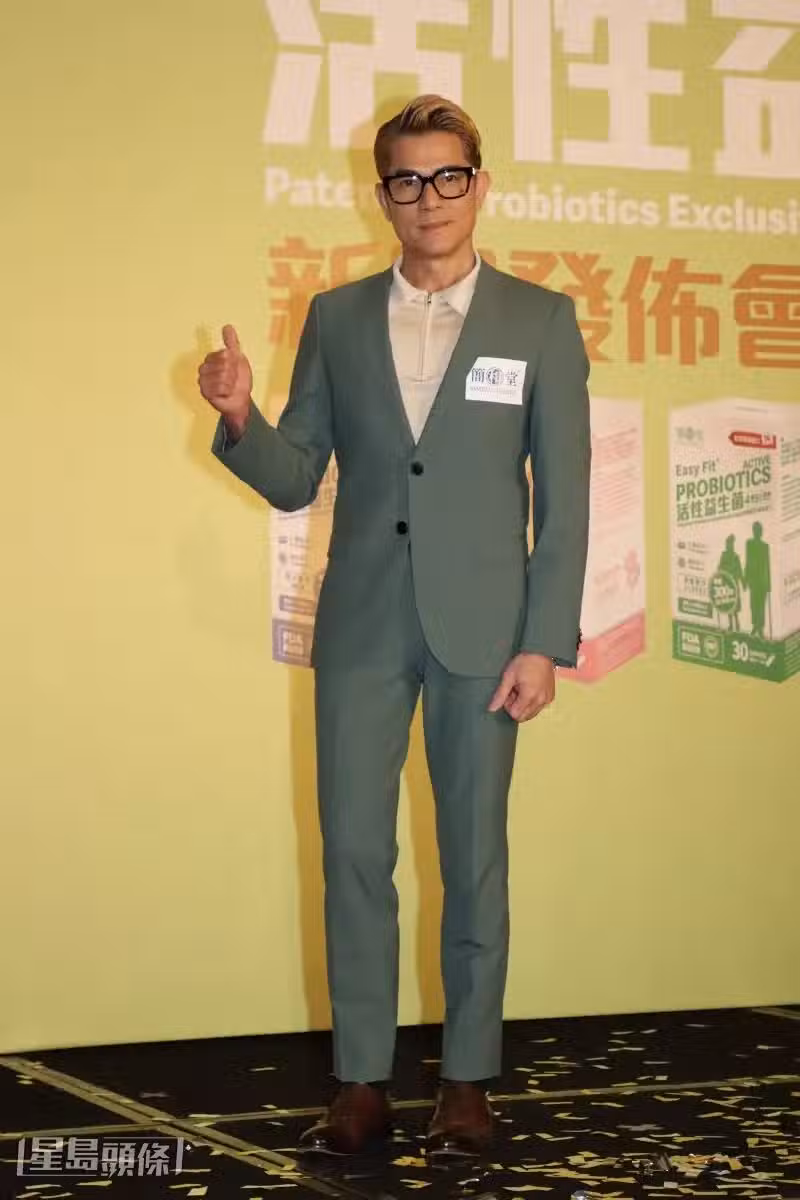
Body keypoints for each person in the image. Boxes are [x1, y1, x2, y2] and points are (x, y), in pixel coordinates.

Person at [198, 96, 591, 1158]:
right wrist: (240, 418)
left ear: (479, 184)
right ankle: (361, 1082)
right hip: (364, 624)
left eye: (449, 175)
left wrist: (543, 641)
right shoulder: (335, 318)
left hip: (487, 632)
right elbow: (296, 476)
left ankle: (466, 1082)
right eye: (408, 180)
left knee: (475, 858)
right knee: (355, 854)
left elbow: (564, 499)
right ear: (383, 197)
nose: (431, 198)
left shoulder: (539, 321)